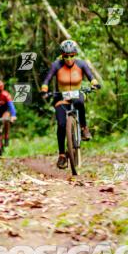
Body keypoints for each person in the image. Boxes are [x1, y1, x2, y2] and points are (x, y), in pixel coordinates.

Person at [41, 39, 101, 169]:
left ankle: (84, 128)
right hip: (61, 97)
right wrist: (44, 89)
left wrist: (94, 84)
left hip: (76, 94)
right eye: (66, 56)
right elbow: (47, 79)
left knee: (80, 101)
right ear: (62, 55)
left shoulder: (81, 64)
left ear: (75, 55)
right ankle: (62, 155)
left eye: (71, 56)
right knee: (61, 124)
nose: (69, 59)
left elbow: (91, 76)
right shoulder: (56, 65)